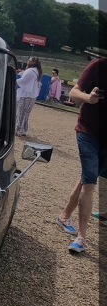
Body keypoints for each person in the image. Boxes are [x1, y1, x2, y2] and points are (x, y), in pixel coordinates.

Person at [55, 56, 105, 254]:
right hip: (88, 132)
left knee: (87, 178)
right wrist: (89, 98)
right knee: (90, 183)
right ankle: (81, 238)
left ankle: (65, 215)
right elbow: (75, 92)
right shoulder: (99, 65)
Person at [15, 56, 41, 136]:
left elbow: (23, 81)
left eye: (29, 60)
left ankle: (19, 129)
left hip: (26, 95)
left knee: (21, 112)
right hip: (32, 95)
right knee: (25, 113)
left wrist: (15, 80)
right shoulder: (36, 71)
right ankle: (23, 129)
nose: (27, 61)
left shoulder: (30, 71)